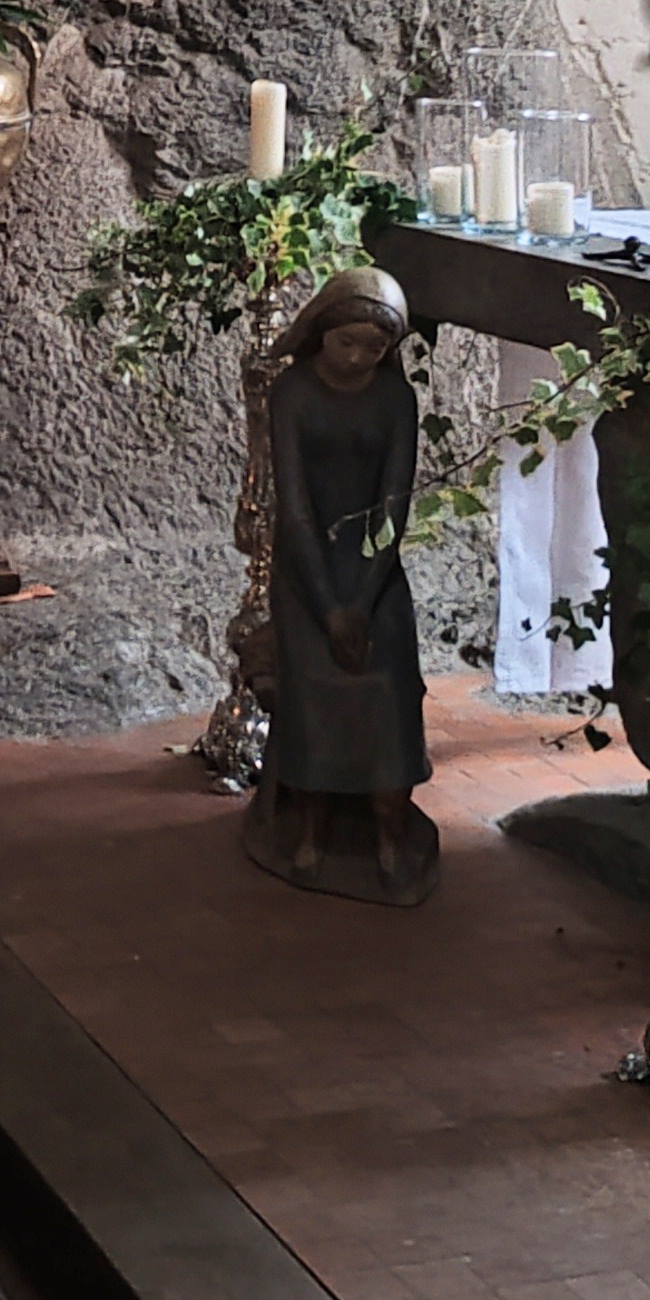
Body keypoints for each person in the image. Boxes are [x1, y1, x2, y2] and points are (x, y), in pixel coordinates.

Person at [241, 265, 440, 908]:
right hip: (308, 571)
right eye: (346, 342)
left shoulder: (395, 399)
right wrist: (329, 606)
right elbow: (295, 506)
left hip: (373, 573)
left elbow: (393, 503)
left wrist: (362, 598)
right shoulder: (294, 392)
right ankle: (311, 831)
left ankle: (389, 835)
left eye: (374, 348)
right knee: (316, 693)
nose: (357, 358)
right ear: (321, 333)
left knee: (388, 690)